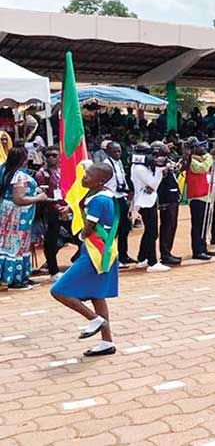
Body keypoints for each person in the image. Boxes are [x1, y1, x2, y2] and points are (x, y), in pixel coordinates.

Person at [50, 162, 119, 357]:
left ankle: (95, 319)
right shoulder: (105, 194)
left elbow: (88, 229)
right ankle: (107, 342)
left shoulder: (98, 200)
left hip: (93, 252)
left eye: (88, 175)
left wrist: (79, 236)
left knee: (58, 290)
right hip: (103, 250)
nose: (83, 177)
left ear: (100, 180)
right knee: (97, 295)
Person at [0, 147, 47, 290]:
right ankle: (15, 279)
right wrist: (39, 197)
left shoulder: (5, 170)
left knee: (8, 246)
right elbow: (19, 199)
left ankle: (16, 277)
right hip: (18, 216)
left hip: (9, 213)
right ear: (24, 159)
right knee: (17, 246)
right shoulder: (19, 175)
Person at [130, 145, 169, 272]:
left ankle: (142, 258)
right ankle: (152, 262)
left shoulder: (142, 167)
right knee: (152, 232)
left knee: (149, 232)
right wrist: (159, 170)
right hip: (144, 202)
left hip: (148, 200)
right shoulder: (139, 168)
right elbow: (154, 184)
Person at [34, 148, 68, 281]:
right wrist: (58, 207)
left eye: (54, 155)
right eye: (48, 155)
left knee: (78, 236)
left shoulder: (65, 171)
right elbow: (43, 195)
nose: (51, 158)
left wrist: (68, 206)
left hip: (67, 207)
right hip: (51, 211)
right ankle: (53, 270)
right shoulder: (42, 174)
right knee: (51, 241)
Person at [100, 142, 135, 266]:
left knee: (124, 229)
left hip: (121, 197)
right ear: (108, 152)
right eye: (114, 151)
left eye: (119, 151)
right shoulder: (105, 165)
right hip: (112, 199)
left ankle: (123, 255)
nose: (117, 154)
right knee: (113, 230)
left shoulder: (119, 163)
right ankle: (112, 257)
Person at [184, 139, 215, 260]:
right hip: (197, 196)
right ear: (194, 149)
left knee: (204, 225)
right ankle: (197, 251)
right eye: (200, 147)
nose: (204, 149)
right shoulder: (190, 160)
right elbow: (201, 168)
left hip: (205, 195)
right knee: (197, 225)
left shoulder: (202, 158)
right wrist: (210, 156)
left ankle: (203, 247)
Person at [155, 143, 182, 266]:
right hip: (166, 198)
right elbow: (162, 174)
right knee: (167, 226)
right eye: (165, 152)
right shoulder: (157, 162)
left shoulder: (167, 160)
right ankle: (165, 254)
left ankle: (168, 252)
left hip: (173, 197)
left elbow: (177, 168)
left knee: (172, 226)